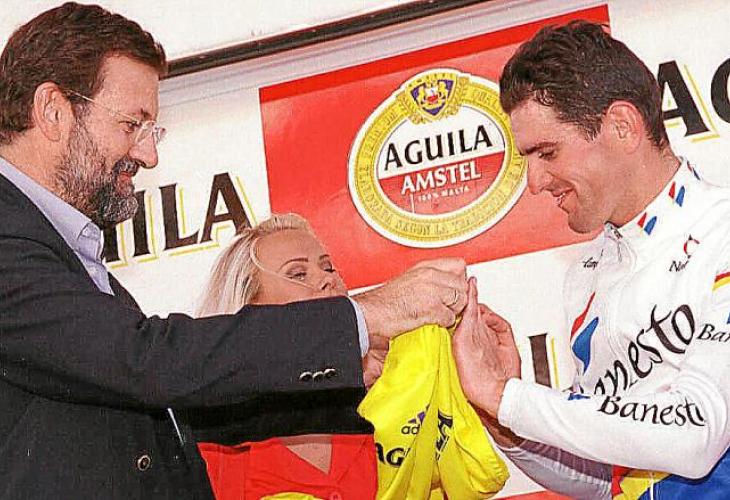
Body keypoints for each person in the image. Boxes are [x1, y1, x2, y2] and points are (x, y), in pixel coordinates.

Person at [0, 3, 468, 498]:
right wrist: (366, 315)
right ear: (53, 111)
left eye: (150, 131)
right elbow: (148, 362)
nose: (148, 154)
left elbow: (167, 418)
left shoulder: (61, 250)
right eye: (131, 125)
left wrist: (347, 375)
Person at [452, 21, 730, 499]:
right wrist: (505, 420)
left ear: (622, 126)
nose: (534, 183)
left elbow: (697, 436)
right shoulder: (586, 277)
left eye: (547, 152)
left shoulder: (722, 230)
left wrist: (510, 399)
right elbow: (606, 479)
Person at [193, 212, 380, 500]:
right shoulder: (213, 449)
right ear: (250, 312)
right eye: (298, 274)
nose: (327, 279)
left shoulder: (391, 398)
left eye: (328, 267)